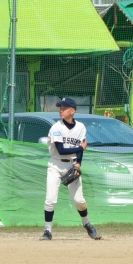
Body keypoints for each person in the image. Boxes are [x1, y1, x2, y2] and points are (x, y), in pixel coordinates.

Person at [41, 97, 99, 241]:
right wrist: (81, 148)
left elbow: (80, 148)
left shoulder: (80, 127)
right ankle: (47, 230)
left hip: (72, 165)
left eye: (64, 108)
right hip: (56, 165)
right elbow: (61, 150)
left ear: (72, 111)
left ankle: (87, 223)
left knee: (79, 200)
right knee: (51, 199)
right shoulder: (56, 128)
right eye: (60, 107)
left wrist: (78, 164)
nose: (61, 110)